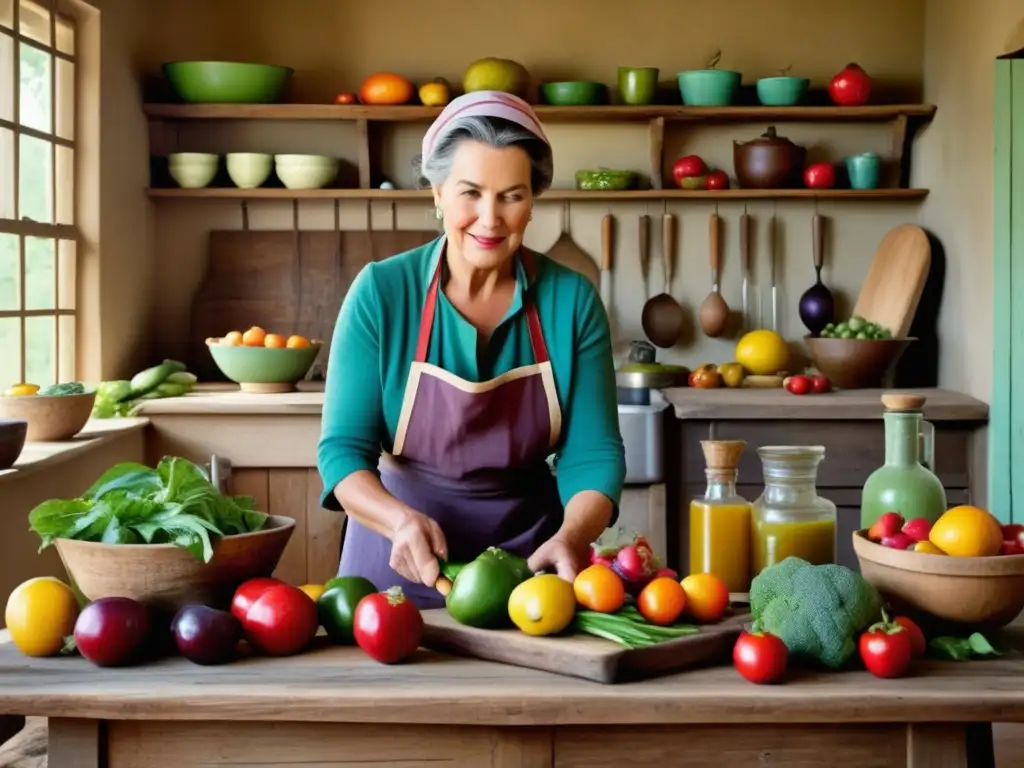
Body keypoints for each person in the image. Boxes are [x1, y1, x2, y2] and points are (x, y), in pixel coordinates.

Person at [316, 90, 626, 609]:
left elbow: (593, 455)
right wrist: (397, 520)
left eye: (512, 195)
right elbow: (342, 450)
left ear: (532, 201)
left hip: (530, 567)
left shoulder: (572, 302)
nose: (490, 218)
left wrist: (571, 537)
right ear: (436, 192)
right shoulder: (382, 293)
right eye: (470, 193)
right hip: (395, 559)